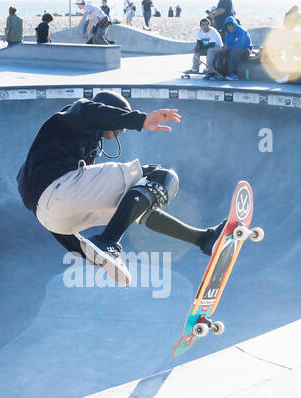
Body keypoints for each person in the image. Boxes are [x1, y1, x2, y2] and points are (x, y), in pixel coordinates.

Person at [15, 92, 225, 286]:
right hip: (62, 188)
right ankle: (108, 241)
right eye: (118, 125)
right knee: (161, 178)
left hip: (51, 218)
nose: (121, 131)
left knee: (134, 204)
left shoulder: (48, 158)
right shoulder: (77, 114)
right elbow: (88, 111)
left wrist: (82, 251)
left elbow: (49, 207)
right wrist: (140, 120)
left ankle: (203, 239)